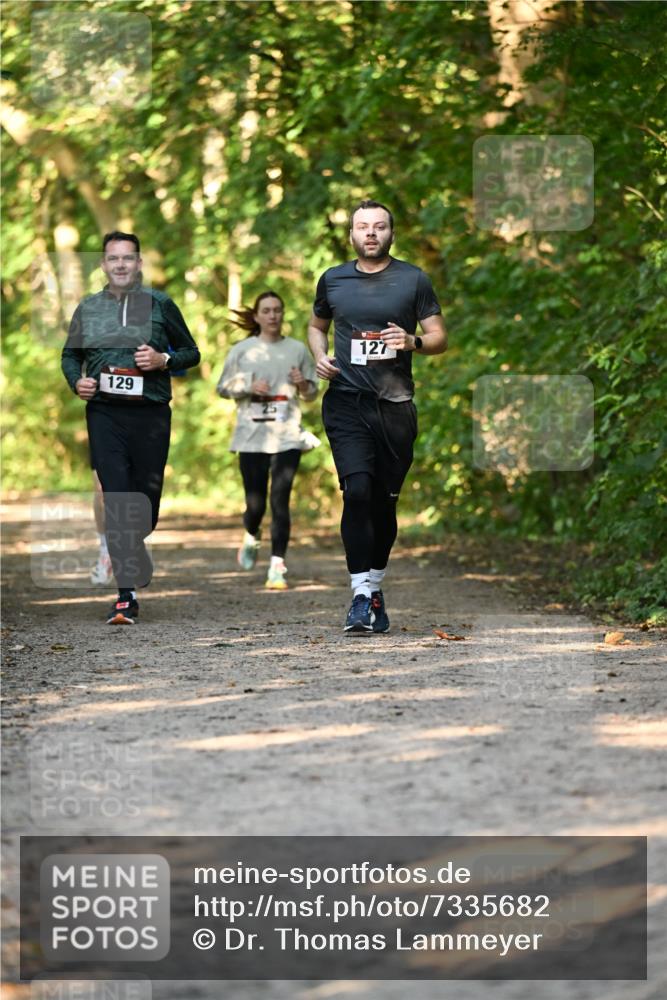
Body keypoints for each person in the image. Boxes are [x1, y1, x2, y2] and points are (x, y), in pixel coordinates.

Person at [308, 200, 447, 634]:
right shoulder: (333, 279)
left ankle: (376, 586)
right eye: (363, 227)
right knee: (357, 490)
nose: (371, 233)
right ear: (351, 234)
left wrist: (414, 341)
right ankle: (360, 595)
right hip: (346, 401)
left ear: (391, 233)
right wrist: (320, 357)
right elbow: (316, 326)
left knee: (385, 504)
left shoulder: (413, 279)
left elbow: (439, 336)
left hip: (395, 405)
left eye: (379, 226)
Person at [61, 231, 200, 624]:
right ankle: (126, 595)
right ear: (103, 265)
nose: (120, 265)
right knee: (117, 498)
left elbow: (191, 352)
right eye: (113, 258)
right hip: (105, 414)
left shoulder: (160, 304)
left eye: (128, 258)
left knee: (146, 508)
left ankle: (134, 545)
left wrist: (163, 360)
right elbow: (71, 356)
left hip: (151, 415)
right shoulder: (88, 308)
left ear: (139, 264)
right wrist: (78, 382)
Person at [216, 291, 318, 590]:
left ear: (283, 314)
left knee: (280, 500)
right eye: (267, 310)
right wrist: (248, 385)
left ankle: (277, 566)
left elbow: (312, 395)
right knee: (256, 503)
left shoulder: (297, 349)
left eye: (277, 310)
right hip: (251, 437)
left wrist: (302, 383)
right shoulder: (241, 350)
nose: (273, 315)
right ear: (257, 316)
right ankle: (251, 533)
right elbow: (222, 387)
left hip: (287, 435)